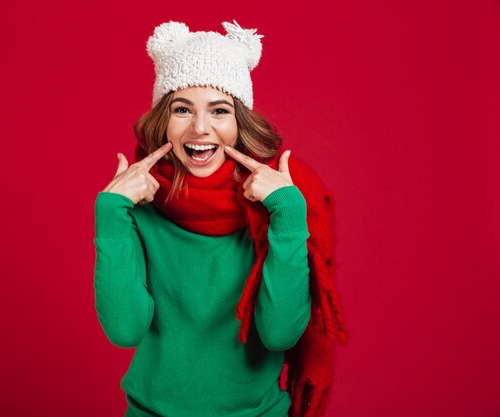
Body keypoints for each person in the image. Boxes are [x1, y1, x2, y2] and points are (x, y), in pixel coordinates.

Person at [93, 20, 349, 417]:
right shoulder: (140, 204)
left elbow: (280, 332)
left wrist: (288, 215)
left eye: (219, 110)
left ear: (238, 122)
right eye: (182, 109)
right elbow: (124, 330)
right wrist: (110, 215)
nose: (200, 128)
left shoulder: (275, 208)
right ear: (164, 121)